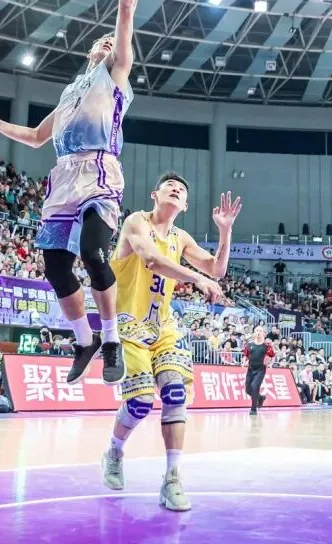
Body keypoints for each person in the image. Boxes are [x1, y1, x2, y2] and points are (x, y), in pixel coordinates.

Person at [0, 0, 158, 387]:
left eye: (113, 40)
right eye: (101, 40)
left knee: (93, 252)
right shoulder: (70, 92)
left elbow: (126, 7)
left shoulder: (116, 74)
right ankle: (84, 340)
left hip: (99, 170)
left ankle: (111, 340)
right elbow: (34, 137)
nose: (108, 41)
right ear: (90, 50)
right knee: (54, 267)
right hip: (63, 177)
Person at [100, 173, 238, 512]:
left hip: (163, 326)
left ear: (185, 205)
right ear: (154, 194)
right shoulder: (136, 222)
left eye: (182, 189)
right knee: (141, 402)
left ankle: (172, 479)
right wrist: (197, 278)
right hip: (127, 325)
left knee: (176, 394)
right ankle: (114, 451)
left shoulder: (181, 238)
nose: (176, 189)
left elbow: (217, 269)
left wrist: (225, 232)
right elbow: (151, 259)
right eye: (169, 186)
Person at [242, 326, 274, 415]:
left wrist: (270, 363)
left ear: (264, 333)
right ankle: (260, 398)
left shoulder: (267, 346)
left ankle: (253, 409)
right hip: (250, 369)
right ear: (254, 332)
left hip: (260, 370)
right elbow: (245, 355)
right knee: (248, 389)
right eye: (257, 330)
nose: (258, 332)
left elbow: (271, 355)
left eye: (260, 331)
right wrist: (244, 362)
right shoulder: (249, 345)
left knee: (255, 386)